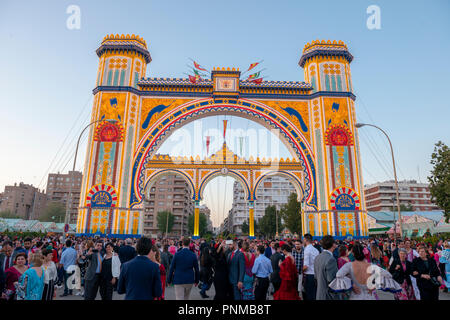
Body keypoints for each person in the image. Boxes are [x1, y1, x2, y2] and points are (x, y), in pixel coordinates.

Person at [329, 242, 401, 300]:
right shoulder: (371, 265)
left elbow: (338, 275)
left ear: (353, 253)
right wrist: (374, 285)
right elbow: (388, 275)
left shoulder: (349, 265)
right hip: (369, 295)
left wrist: (351, 284)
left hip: (355, 295)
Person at [314, 235, 340, 300]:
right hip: (328, 295)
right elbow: (332, 280)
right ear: (333, 244)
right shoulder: (331, 259)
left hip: (320, 293)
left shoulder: (318, 257)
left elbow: (316, 277)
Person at [302, 233, 319, 300]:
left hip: (309, 275)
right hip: (315, 274)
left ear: (305, 240)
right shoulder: (316, 250)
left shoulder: (307, 250)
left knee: (309, 295)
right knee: (314, 294)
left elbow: (306, 266)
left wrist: (301, 271)